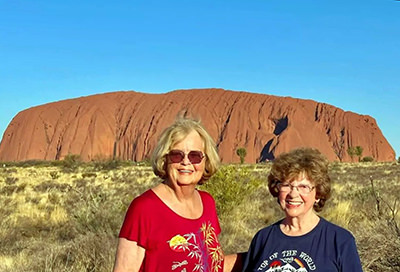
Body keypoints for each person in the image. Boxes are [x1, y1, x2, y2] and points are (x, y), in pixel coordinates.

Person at [113, 117, 240, 272]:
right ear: (165, 159)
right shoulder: (144, 208)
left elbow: (213, 265)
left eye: (195, 156)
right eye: (177, 155)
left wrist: (260, 254)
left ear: (205, 161)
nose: (186, 162)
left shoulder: (207, 202)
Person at [242, 147, 363, 272]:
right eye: (286, 185)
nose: (293, 194)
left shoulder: (339, 240)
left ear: (318, 194)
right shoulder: (263, 238)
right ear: (277, 190)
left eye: (303, 186)